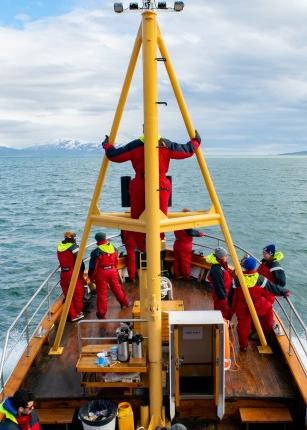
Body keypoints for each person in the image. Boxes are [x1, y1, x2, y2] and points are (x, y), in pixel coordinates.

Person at [102, 132, 201, 251]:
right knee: (160, 217)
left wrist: (107, 145)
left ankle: (141, 246)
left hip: (140, 184)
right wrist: (196, 141)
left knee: (138, 219)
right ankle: (156, 243)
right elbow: (187, 151)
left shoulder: (135, 145)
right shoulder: (166, 144)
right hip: (161, 184)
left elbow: (115, 156)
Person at [229, 256, 289, 351]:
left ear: (244, 266)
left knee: (242, 326)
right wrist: (284, 292)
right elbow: (273, 288)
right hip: (257, 305)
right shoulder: (260, 279)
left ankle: (243, 346)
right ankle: (264, 333)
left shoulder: (237, 279)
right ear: (254, 267)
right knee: (268, 309)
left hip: (242, 306)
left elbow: (231, 295)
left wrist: (231, 307)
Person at [88, 232, 129, 319]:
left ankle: (101, 313)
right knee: (117, 288)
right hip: (112, 270)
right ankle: (124, 303)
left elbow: (92, 266)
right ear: (105, 238)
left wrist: (90, 276)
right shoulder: (113, 248)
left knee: (102, 293)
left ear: (97, 240)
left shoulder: (96, 252)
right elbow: (116, 261)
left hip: (101, 273)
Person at [57, 231, 86, 322]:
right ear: (72, 238)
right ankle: (78, 313)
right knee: (78, 294)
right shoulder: (74, 247)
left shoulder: (59, 246)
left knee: (67, 295)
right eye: (74, 237)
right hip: (72, 273)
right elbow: (79, 261)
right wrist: (82, 270)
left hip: (63, 273)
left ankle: (72, 315)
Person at [173, 209, 205, 280]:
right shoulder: (186, 224)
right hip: (185, 246)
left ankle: (176, 275)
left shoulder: (176, 222)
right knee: (185, 262)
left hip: (177, 243)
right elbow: (191, 232)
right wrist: (201, 234)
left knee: (177, 260)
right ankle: (186, 277)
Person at [206, 247, 233, 320]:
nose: (226, 257)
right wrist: (223, 298)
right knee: (222, 311)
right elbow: (218, 285)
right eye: (225, 256)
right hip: (221, 296)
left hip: (224, 292)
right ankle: (221, 324)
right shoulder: (217, 269)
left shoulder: (220, 264)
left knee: (221, 310)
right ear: (221, 257)